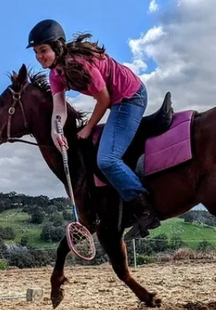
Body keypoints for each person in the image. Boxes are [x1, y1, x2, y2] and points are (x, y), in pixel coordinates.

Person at [26, 19, 161, 239]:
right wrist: (55, 130)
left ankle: (144, 209)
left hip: (130, 98)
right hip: (115, 101)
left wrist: (88, 128)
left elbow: (104, 99)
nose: (39, 56)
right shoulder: (55, 74)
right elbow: (59, 106)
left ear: (58, 46)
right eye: (36, 52)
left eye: (43, 50)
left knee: (107, 159)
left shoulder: (81, 64)